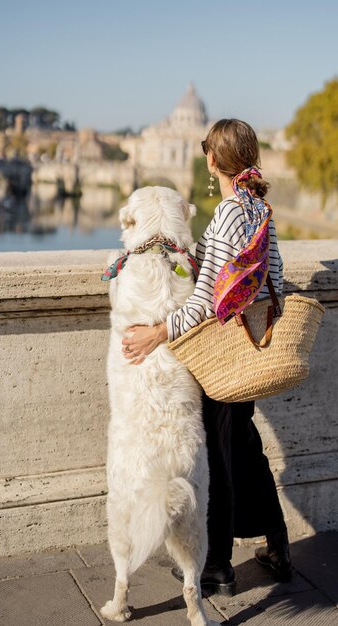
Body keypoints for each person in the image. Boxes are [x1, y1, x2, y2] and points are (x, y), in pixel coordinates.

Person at [122, 119, 292, 595]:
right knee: (245, 446)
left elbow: (203, 306)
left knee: (218, 455)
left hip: (224, 353)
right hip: (254, 347)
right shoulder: (261, 209)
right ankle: (279, 547)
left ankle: (216, 566)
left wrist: (157, 331)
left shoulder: (227, 216)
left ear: (212, 160)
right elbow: (275, 276)